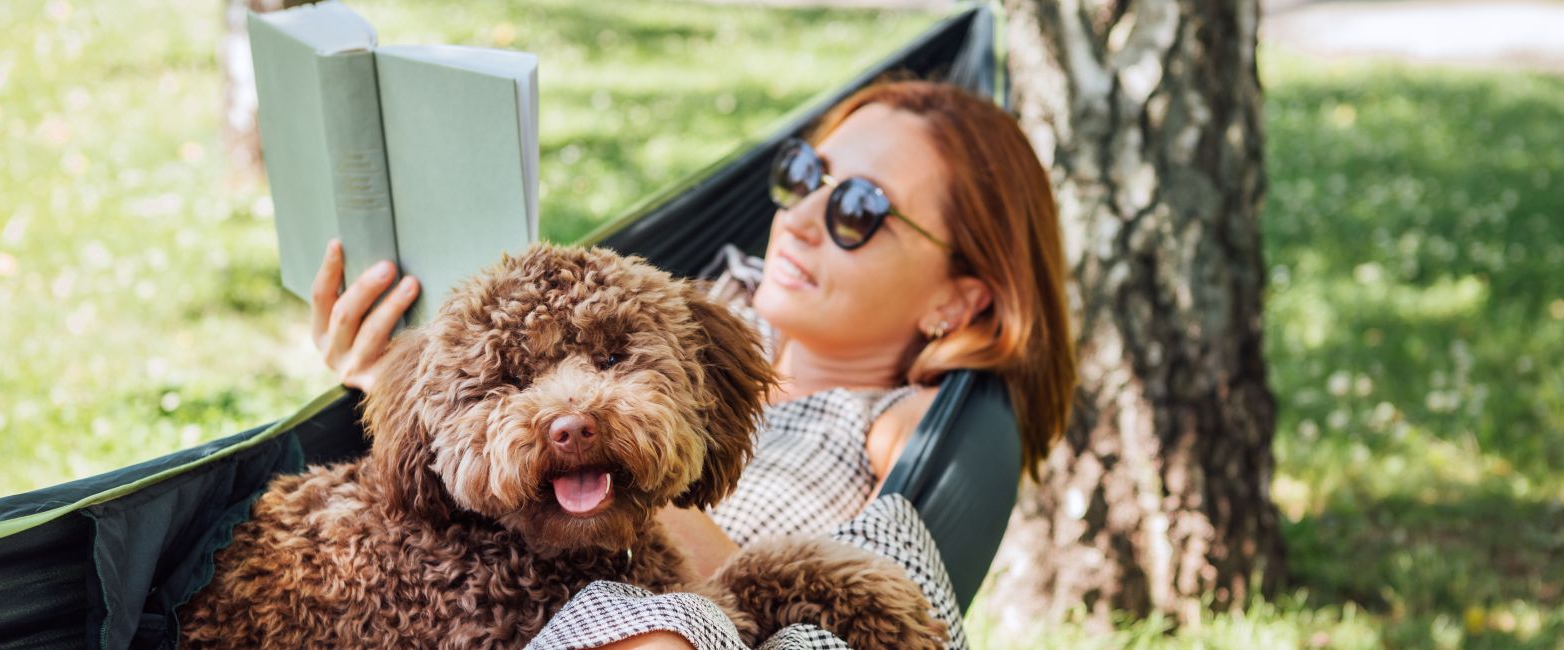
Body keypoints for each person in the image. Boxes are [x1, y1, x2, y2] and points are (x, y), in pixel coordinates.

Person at [307, 79, 1074, 649]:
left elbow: (871, 602)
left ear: (958, 301)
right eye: (804, 174)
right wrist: (411, 379)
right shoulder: (705, 302)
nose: (800, 219)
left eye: (859, 211)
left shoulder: (903, 423)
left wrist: (626, 463)